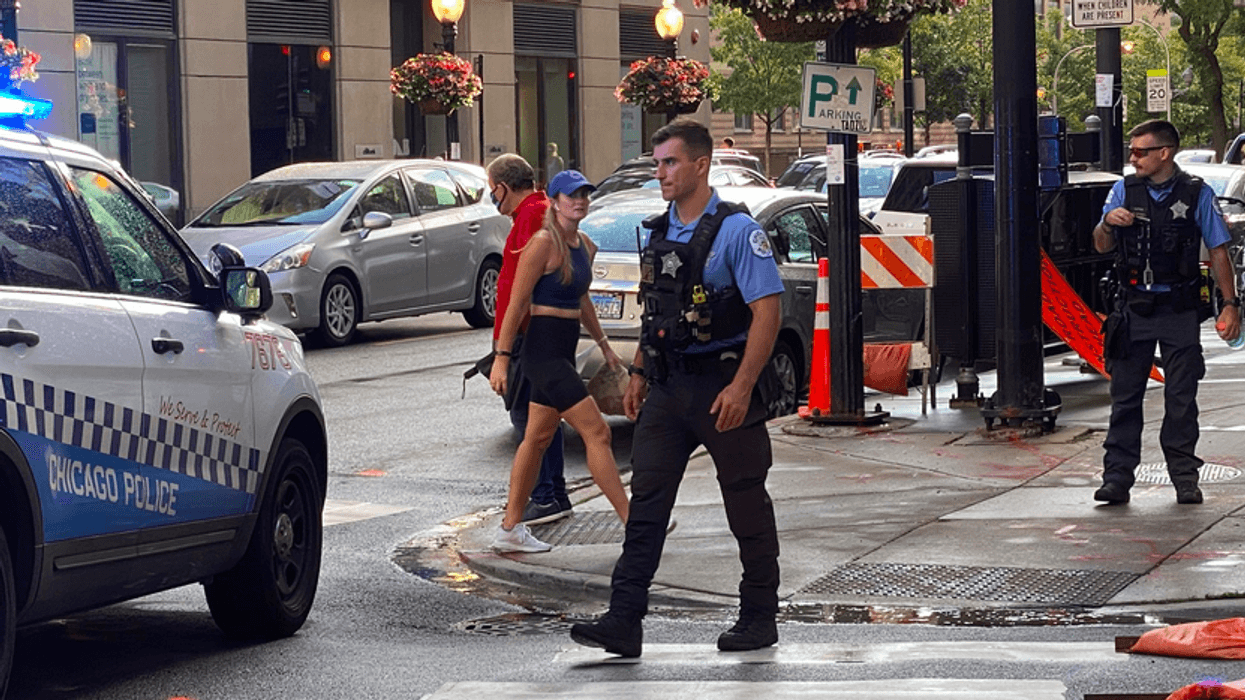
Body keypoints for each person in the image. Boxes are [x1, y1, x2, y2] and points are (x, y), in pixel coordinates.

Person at [570, 118, 783, 657]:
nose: (660, 172)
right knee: (646, 507)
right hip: (668, 386)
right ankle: (624, 621)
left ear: (700, 165)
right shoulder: (660, 228)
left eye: (669, 162)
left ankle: (759, 616)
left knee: (745, 505)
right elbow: (657, 313)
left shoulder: (737, 231)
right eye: (657, 162)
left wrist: (741, 387)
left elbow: (767, 313)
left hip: (721, 386)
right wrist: (638, 373)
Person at [1093, 119, 1240, 506]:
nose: (1133, 158)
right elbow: (1100, 244)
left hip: (1178, 308)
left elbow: (1219, 249)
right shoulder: (1124, 189)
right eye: (1131, 151)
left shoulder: (1196, 193)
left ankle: (1184, 477)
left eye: (1140, 152)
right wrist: (1108, 221)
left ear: (1164, 153)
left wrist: (1231, 304)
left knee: (1181, 397)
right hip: (1132, 307)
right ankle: (1117, 478)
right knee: (1125, 398)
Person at [489, 169, 631, 552]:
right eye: (570, 195)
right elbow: (517, 302)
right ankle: (635, 526)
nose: (579, 200)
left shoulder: (583, 244)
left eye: (584, 193)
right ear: (553, 201)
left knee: (535, 439)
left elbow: (581, 299)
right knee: (598, 432)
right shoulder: (541, 244)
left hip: (564, 352)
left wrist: (603, 345)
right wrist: (501, 359)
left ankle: (509, 530)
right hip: (542, 355)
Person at [486, 154, 572, 525]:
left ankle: (545, 495)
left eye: (493, 191)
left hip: (530, 337)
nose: (493, 199)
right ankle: (554, 494)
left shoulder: (533, 217)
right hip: (536, 335)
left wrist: (504, 351)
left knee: (530, 421)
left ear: (504, 187)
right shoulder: (535, 214)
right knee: (542, 418)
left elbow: (521, 290)